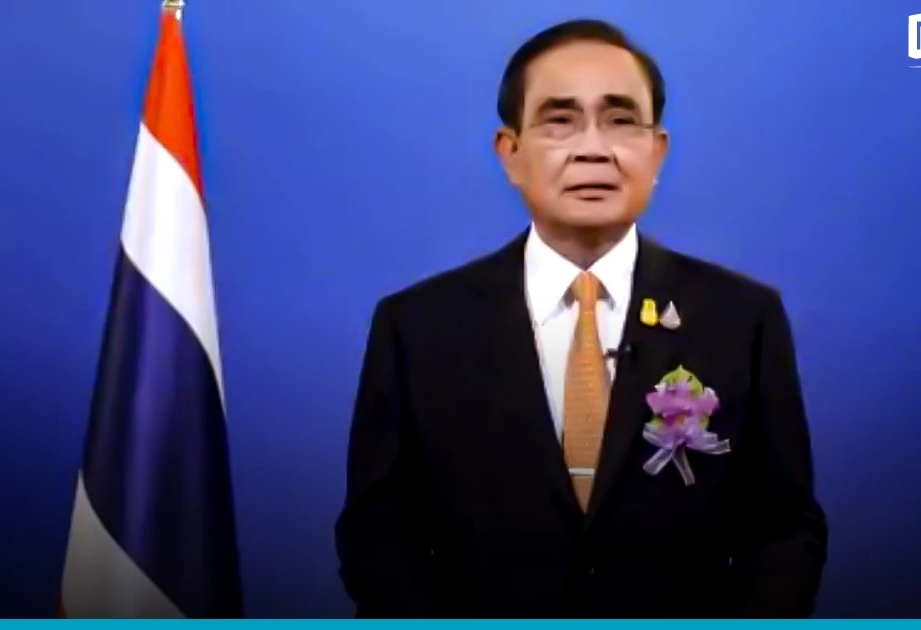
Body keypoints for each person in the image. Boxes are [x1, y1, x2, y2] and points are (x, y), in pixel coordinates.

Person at [335, 18, 827, 618]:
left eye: (620, 119)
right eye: (560, 121)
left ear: (657, 150)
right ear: (510, 153)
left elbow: (784, 529)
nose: (593, 148)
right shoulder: (417, 326)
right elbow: (379, 533)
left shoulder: (743, 317)